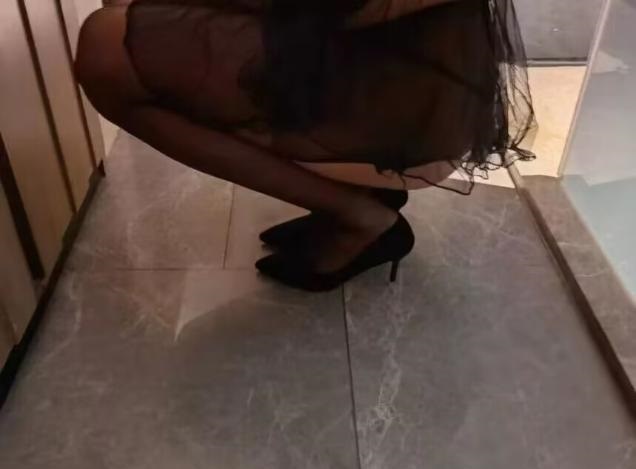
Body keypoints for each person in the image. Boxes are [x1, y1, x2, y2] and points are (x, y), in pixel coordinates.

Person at [75, 0, 535, 291]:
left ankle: (360, 215)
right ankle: (358, 198)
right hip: (386, 58)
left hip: (394, 84)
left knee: (106, 50)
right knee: (121, 31)